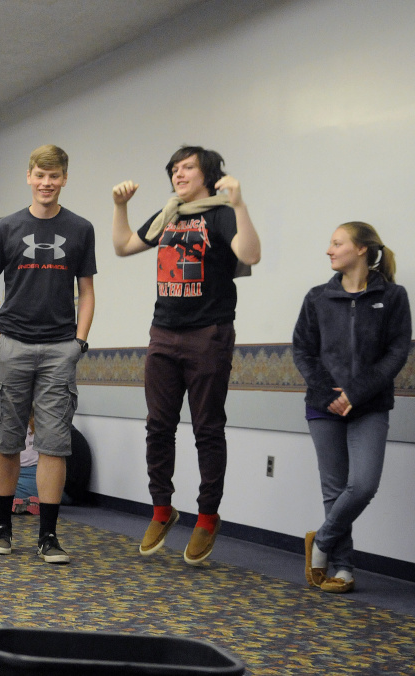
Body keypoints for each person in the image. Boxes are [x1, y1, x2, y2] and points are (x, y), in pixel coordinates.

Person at [111, 145, 261, 564]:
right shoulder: (170, 214)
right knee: (158, 426)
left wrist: (241, 203)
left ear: (208, 174)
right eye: (174, 168)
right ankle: (163, 509)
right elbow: (123, 245)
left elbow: (250, 255)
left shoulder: (221, 212)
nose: (178, 174)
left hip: (208, 332)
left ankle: (208, 517)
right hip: (163, 332)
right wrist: (121, 207)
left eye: (187, 167)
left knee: (207, 429)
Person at [0, 144, 95, 564]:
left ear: (64, 178)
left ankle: (48, 536)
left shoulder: (81, 229)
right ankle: (3, 528)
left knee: (54, 444)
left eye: (55, 175)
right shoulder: (7, 227)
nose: (47, 183)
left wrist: (78, 342)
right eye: (40, 175)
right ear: (29, 176)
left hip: (60, 348)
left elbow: (87, 292)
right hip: (13, 346)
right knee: (7, 441)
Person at [292, 222, 410, 593]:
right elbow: (303, 351)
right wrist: (330, 393)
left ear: (361, 249)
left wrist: (355, 393)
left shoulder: (392, 297)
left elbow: (396, 353)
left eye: (337, 243)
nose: (329, 250)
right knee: (334, 488)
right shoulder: (317, 298)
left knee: (362, 485)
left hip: (370, 406)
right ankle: (342, 569)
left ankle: (323, 541)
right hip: (323, 405)